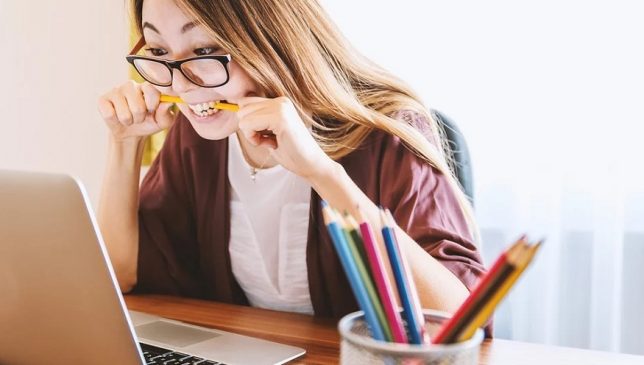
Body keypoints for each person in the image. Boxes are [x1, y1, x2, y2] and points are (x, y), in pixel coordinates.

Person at [97, 0, 487, 324]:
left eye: (204, 51)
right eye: (159, 51)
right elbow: (121, 275)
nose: (180, 85)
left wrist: (321, 173)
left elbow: (459, 320)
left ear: (271, 39)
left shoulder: (388, 131)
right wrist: (124, 144)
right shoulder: (199, 137)